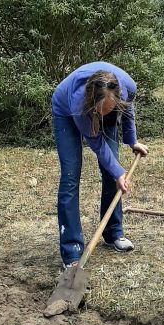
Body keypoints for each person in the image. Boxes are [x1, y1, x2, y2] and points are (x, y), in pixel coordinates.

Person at [51, 63, 148, 270]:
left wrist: (132, 141)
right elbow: (97, 144)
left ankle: (113, 233)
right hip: (65, 112)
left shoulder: (127, 86)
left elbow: (128, 110)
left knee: (111, 172)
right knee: (70, 176)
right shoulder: (79, 103)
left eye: (108, 110)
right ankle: (71, 251)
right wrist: (119, 172)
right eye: (100, 111)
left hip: (104, 104)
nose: (102, 115)